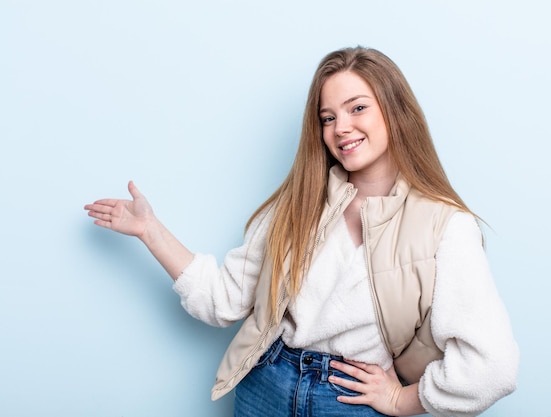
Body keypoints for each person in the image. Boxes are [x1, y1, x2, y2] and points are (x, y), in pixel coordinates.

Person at [84, 46, 519, 417]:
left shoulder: (445, 225)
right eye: (327, 117)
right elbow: (223, 299)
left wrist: (404, 399)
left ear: (396, 111)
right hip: (264, 386)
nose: (340, 128)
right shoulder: (297, 204)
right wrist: (150, 230)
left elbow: (492, 366)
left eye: (358, 108)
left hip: (351, 402)